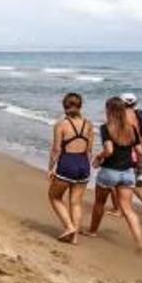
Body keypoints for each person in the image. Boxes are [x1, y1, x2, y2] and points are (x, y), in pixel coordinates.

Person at [87, 97, 142, 251]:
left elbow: (109, 150)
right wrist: (139, 168)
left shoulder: (106, 128)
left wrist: (99, 157)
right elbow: (139, 151)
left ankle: (92, 231)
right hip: (127, 173)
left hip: (109, 172)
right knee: (127, 209)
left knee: (99, 203)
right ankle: (139, 240)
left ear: (109, 110)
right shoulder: (132, 128)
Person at [47, 93, 93, 243]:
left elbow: (56, 150)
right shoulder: (89, 124)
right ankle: (74, 238)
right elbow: (89, 150)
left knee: (54, 197)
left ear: (64, 106)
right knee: (76, 202)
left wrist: (50, 168)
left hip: (67, 163)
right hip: (83, 165)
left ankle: (69, 227)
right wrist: (87, 168)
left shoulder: (61, 124)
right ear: (80, 106)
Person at [121, 93, 142, 223]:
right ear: (135, 103)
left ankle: (123, 209)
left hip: (125, 153)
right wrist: (141, 148)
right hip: (139, 152)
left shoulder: (121, 116)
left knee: (126, 182)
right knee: (137, 182)